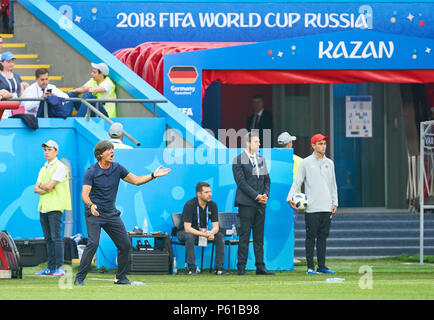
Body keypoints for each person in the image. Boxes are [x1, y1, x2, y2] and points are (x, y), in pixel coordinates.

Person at [74, 140, 170, 286]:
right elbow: (84, 195)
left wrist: (153, 175)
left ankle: (120, 278)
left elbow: (136, 180)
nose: (112, 152)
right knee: (93, 243)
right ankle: (79, 278)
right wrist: (91, 205)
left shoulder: (117, 168)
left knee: (125, 245)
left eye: (112, 149)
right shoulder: (91, 172)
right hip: (94, 213)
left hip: (111, 214)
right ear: (100, 154)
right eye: (108, 150)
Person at [287, 133, 338, 275]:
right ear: (313, 146)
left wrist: (335, 202)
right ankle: (310, 266)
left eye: (324, 143)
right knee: (311, 237)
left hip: (327, 206)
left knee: (323, 237)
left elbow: (333, 185)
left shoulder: (330, 163)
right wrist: (290, 198)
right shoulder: (306, 162)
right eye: (320, 144)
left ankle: (322, 266)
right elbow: (298, 182)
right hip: (312, 207)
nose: (323, 146)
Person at [232, 132, 274, 275]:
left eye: (259, 141)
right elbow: (241, 183)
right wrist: (256, 196)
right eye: (256, 142)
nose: (259, 144)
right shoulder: (238, 160)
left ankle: (260, 266)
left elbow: (267, 180)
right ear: (248, 143)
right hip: (246, 203)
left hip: (261, 204)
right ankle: (241, 267)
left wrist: (265, 195)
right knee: (244, 235)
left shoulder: (261, 160)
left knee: (259, 236)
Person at [33, 140, 71, 276]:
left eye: (49, 150)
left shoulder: (60, 166)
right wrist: (45, 186)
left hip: (55, 206)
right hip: (44, 206)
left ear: (56, 152)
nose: (46, 152)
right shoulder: (43, 168)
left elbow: (48, 186)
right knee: (48, 238)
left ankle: (59, 267)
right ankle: (51, 267)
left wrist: (44, 186)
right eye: (45, 150)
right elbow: (35, 189)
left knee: (56, 238)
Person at [177, 182, 229, 275]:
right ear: (198, 194)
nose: (209, 194)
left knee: (220, 236)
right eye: (206, 192)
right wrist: (204, 234)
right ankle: (192, 269)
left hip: (204, 233)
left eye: (210, 192)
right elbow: (187, 228)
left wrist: (211, 233)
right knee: (190, 237)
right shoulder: (190, 204)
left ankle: (219, 269)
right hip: (185, 232)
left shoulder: (212, 205)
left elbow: (216, 226)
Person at [0, 51, 23, 118]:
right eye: (8, 62)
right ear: (2, 62)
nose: (11, 64)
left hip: (17, 107)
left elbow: (21, 93)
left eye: (12, 62)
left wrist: (13, 96)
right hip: (4, 109)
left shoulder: (17, 76)